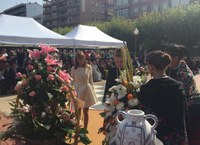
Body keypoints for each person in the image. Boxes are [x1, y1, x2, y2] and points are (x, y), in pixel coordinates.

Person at [138, 50, 187, 145]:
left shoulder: (146, 89)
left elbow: (143, 115)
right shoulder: (178, 86)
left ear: (151, 67)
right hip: (175, 136)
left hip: (155, 137)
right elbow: (183, 114)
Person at [70, 51, 98, 129]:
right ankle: (78, 128)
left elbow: (91, 80)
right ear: (76, 60)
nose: (81, 61)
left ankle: (85, 129)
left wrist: (92, 89)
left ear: (84, 58)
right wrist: (71, 91)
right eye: (79, 59)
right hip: (78, 90)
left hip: (87, 90)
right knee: (78, 111)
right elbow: (72, 81)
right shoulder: (73, 68)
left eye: (82, 59)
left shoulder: (89, 67)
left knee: (86, 111)